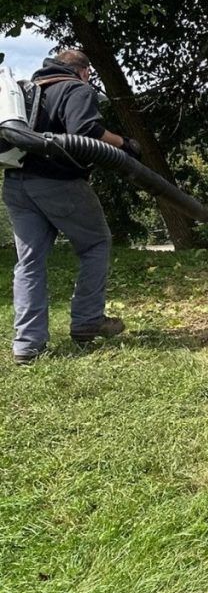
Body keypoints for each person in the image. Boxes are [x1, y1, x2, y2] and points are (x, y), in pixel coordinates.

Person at [3, 49, 141, 366]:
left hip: (16, 184)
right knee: (95, 242)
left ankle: (27, 345)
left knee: (29, 262)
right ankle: (87, 322)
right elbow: (85, 131)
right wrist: (124, 144)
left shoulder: (26, 90)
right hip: (58, 182)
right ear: (84, 71)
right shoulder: (76, 88)